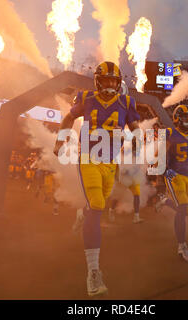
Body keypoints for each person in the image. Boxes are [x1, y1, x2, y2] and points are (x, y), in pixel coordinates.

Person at [53, 61, 141, 296]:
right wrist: (60, 141)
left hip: (110, 163)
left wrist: (140, 142)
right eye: (107, 80)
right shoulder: (86, 98)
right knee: (99, 205)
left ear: (118, 82)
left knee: (96, 205)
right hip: (89, 158)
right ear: (98, 81)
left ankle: (84, 213)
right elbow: (68, 119)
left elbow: (135, 128)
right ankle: (93, 271)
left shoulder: (126, 102)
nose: (111, 84)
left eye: (114, 81)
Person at [160, 104, 188, 263]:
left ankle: (165, 201)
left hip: (187, 176)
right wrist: (165, 170)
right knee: (183, 206)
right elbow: (160, 154)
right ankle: (182, 246)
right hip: (174, 175)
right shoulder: (170, 133)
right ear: (177, 117)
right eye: (184, 116)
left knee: (186, 210)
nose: (187, 119)